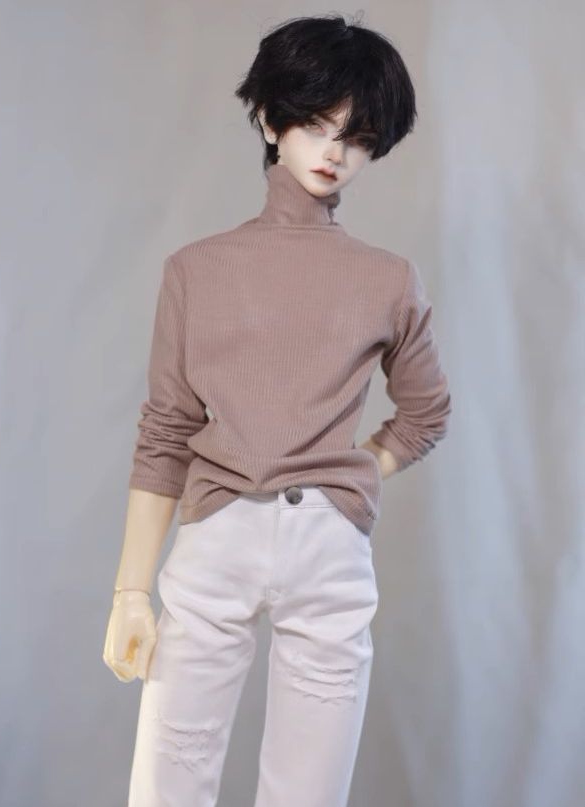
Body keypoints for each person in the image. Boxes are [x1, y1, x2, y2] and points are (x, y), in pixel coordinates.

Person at [103, 13, 452, 807]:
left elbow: (426, 411)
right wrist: (131, 591)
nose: (334, 152)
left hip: (328, 548)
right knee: (167, 783)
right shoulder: (196, 270)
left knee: (309, 791)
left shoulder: (387, 279)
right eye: (316, 124)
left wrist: (356, 473)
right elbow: (166, 431)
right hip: (216, 533)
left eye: (357, 137)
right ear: (269, 119)